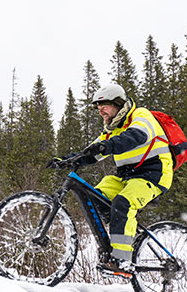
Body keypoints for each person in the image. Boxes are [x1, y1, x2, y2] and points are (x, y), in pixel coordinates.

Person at [50, 83, 173, 275]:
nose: (100, 110)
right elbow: (91, 153)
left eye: (104, 105)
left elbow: (136, 136)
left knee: (122, 203)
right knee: (93, 196)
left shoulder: (140, 116)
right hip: (126, 177)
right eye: (97, 107)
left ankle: (122, 261)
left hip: (154, 174)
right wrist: (66, 160)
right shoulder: (111, 129)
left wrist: (106, 146)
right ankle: (119, 227)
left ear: (118, 104)